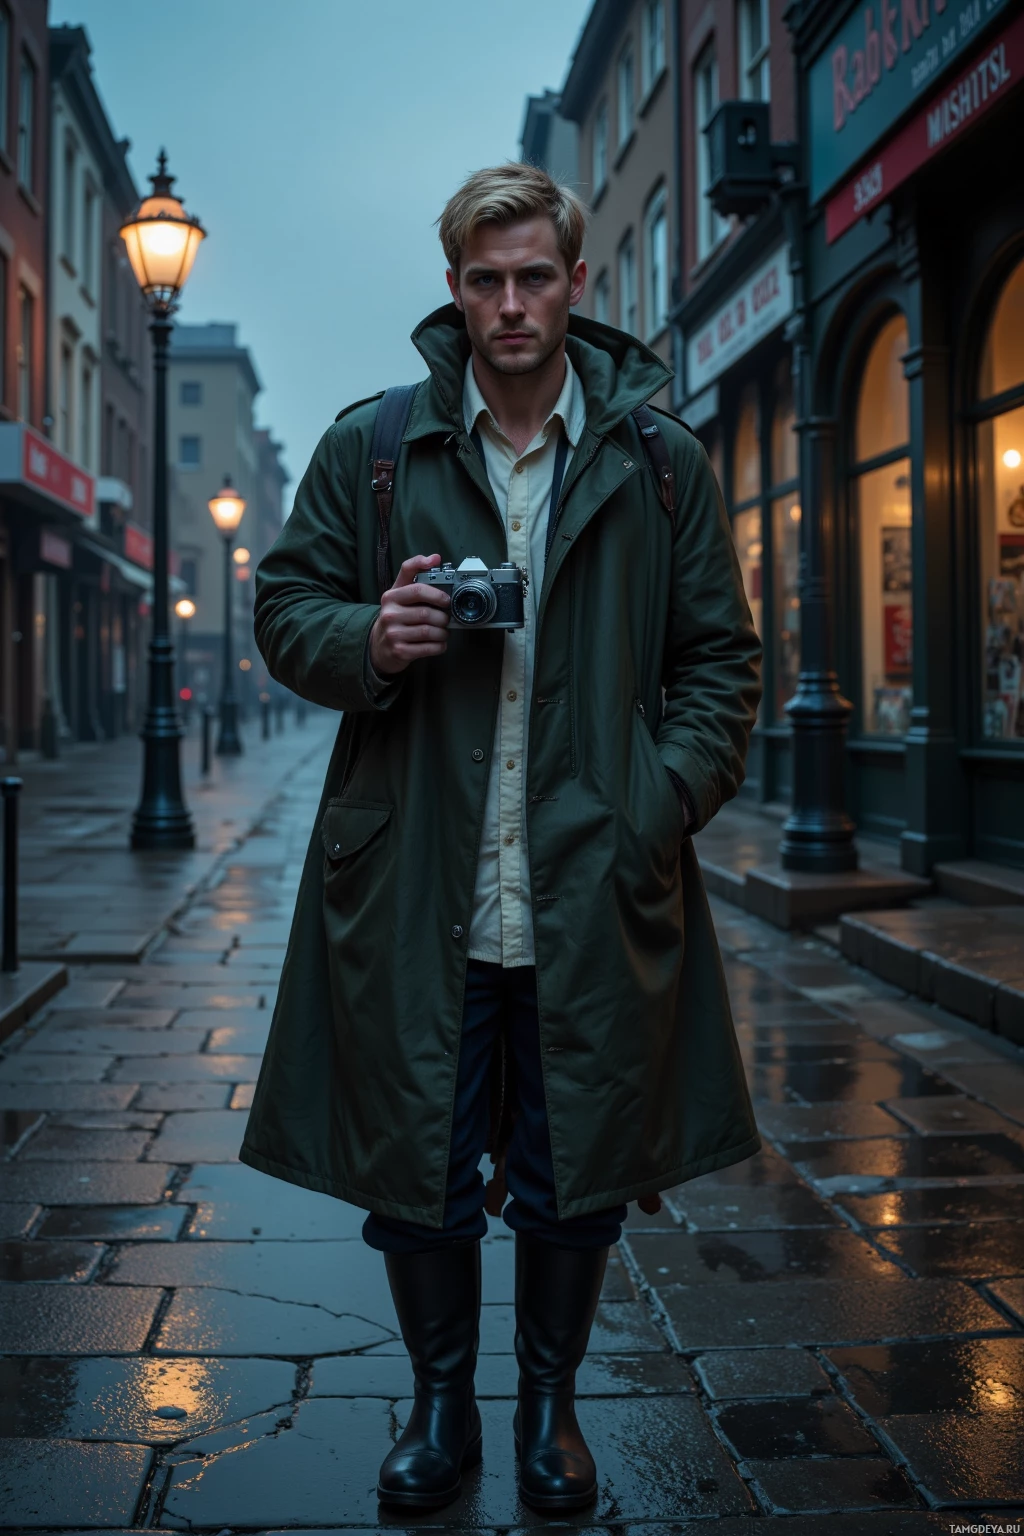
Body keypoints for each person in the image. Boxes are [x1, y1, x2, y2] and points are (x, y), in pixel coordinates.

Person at [242, 163, 762, 1514]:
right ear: (456, 290)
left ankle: (549, 1412)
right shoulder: (376, 447)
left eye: (536, 276)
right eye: (486, 280)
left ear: (577, 283)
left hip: (594, 876)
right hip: (420, 878)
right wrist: (374, 634)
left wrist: (661, 797)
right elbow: (287, 605)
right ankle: (432, 1412)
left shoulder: (660, 461)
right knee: (419, 1163)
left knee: (572, 1162)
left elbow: (721, 662)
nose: (512, 303)